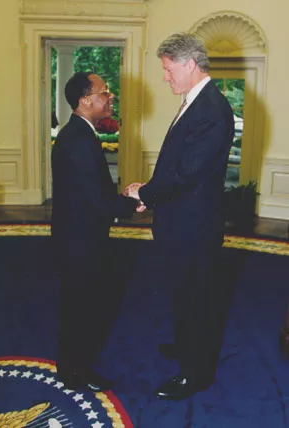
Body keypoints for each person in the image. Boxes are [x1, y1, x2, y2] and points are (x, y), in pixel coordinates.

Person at [126, 32, 234, 400]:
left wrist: (146, 194)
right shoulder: (195, 101)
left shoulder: (211, 109)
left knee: (195, 299)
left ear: (190, 64)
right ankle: (187, 346)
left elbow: (188, 172)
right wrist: (151, 189)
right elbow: (176, 164)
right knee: (184, 295)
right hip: (181, 220)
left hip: (193, 228)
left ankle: (195, 374)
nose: (165, 77)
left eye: (169, 69)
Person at [51, 71, 139, 392]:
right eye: (105, 92)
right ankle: (75, 374)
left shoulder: (78, 134)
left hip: (77, 238)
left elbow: (91, 194)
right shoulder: (79, 141)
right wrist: (131, 203)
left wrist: (121, 200)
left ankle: (72, 367)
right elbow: (98, 201)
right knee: (81, 310)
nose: (110, 96)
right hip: (80, 244)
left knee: (79, 307)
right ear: (86, 100)